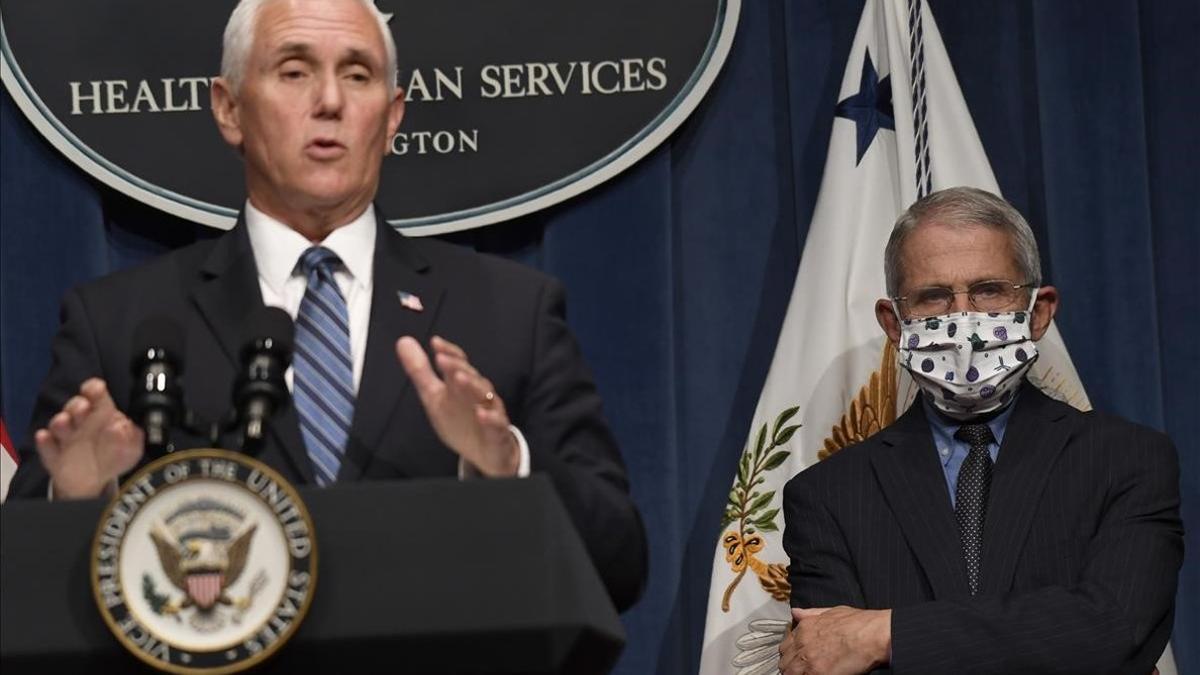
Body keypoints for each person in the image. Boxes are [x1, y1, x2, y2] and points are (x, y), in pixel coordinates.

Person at [7, 0, 646, 612]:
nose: (332, 102)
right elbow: (22, 590)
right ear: (228, 109)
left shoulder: (510, 313)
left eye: (358, 74)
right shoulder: (120, 320)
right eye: (294, 71)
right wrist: (81, 495)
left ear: (392, 116)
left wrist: (511, 464)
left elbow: (619, 563)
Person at [778, 187, 1182, 673]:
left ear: (1039, 312)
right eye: (933, 297)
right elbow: (829, 658)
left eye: (988, 290)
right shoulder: (828, 495)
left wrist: (886, 633)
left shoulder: (1127, 459)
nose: (963, 319)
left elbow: (1114, 628)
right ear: (894, 322)